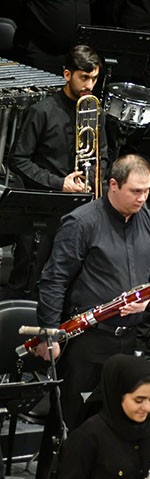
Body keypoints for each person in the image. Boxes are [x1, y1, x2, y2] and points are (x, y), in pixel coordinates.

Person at [34, 154, 150, 479]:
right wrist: (49, 334)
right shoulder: (81, 222)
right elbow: (53, 280)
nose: (142, 198)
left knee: (116, 425)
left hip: (128, 341)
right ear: (113, 185)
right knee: (71, 422)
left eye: (147, 191)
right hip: (87, 341)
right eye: (136, 191)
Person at [3, 44, 108, 299]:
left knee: (66, 279)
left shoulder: (95, 113)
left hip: (80, 206)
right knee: (26, 279)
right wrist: (59, 183)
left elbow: (102, 155)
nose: (90, 85)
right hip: (43, 206)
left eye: (94, 78)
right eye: (84, 77)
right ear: (67, 74)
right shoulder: (42, 111)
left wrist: (91, 180)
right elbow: (19, 160)